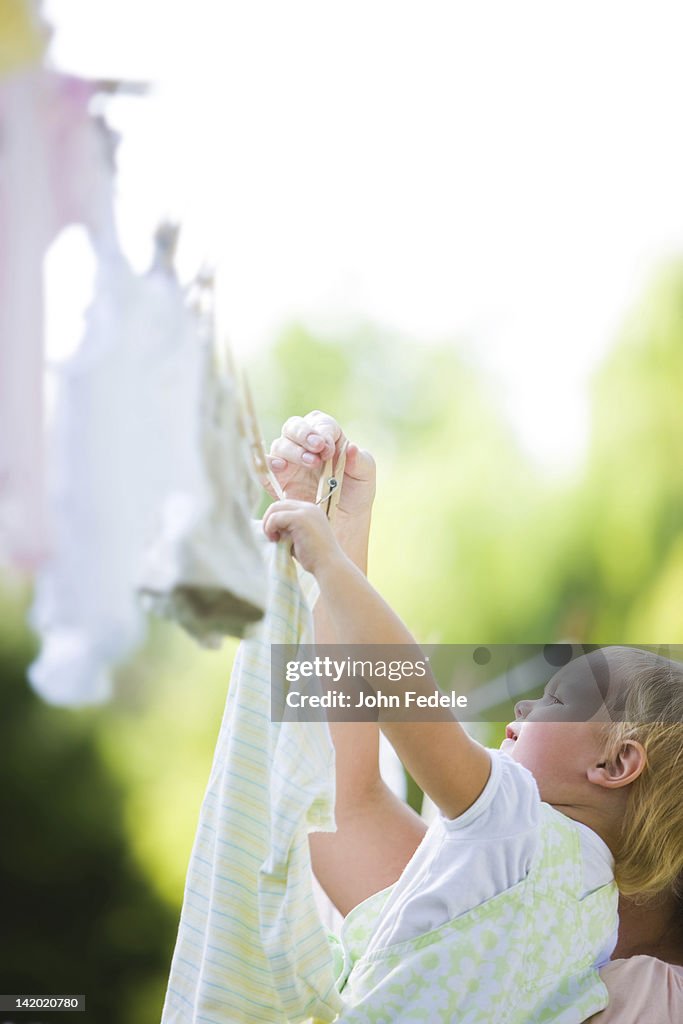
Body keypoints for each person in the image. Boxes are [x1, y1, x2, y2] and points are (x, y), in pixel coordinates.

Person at [264, 411, 683, 1023]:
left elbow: (411, 698)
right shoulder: (575, 932)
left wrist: (333, 563)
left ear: (617, 762)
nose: (522, 705)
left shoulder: (515, 822)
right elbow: (343, 802)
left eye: (556, 700)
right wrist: (343, 534)